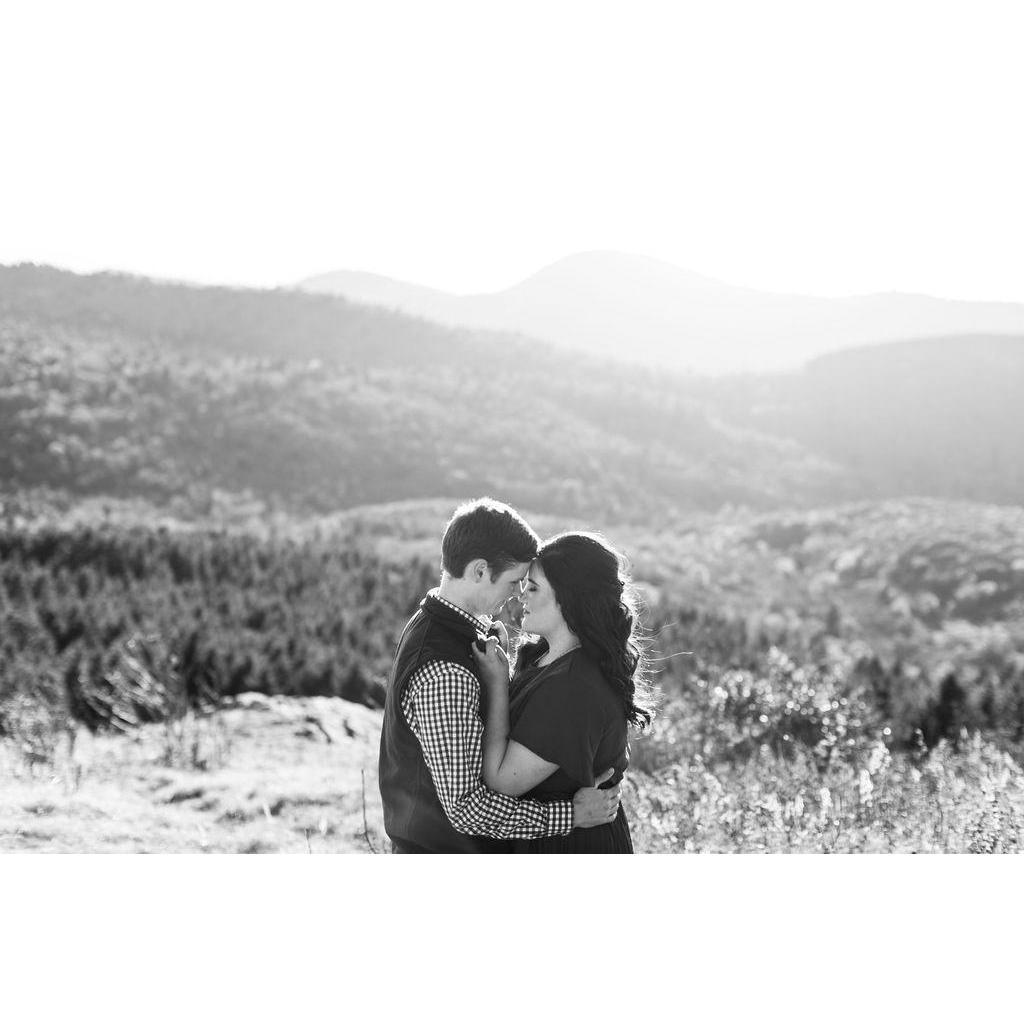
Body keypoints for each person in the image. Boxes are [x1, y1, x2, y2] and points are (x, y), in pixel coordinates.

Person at [378, 498, 622, 853]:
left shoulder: (440, 625)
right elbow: (467, 809)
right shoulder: (445, 669)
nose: (516, 596)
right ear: (479, 571)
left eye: (529, 586)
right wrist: (570, 815)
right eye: (513, 582)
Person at [473, 531, 656, 854]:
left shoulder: (573, 687)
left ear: (569, 600)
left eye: (533, 587)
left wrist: (497, 685)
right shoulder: (542, 657)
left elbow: (502, 781)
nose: (521, 596)